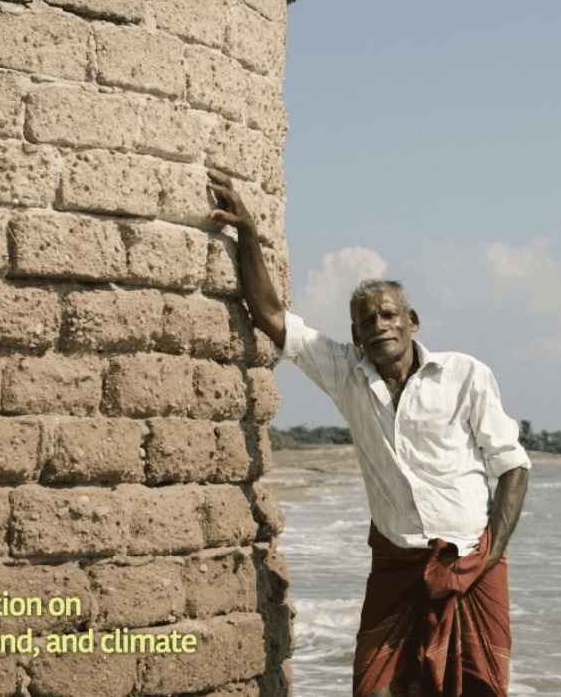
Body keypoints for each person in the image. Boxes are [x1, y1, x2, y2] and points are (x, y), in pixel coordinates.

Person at [209, 169, 531, 697]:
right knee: (374, 686)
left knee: (478, 687)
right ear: (355, 335)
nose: (379, 325)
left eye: (388, 315)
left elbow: (513, 465)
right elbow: (271, 315)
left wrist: (491, 552)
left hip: (472, 559)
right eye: (365, 321)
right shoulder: (346, 374)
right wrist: (247, 232)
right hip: (398, 563)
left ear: (413, 321)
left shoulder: (466, 375)